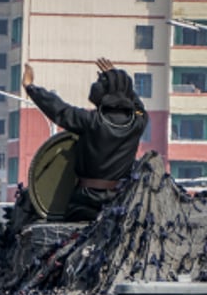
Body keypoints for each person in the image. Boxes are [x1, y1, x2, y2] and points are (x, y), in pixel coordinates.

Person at [22, 57, 149, 222]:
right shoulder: (137, 123)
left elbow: (58, 109)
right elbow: (139, 107)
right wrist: (120, 83)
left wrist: (30, 88)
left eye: (101, 82)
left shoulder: (90, 121)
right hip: (118, 201)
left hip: (85, 202)